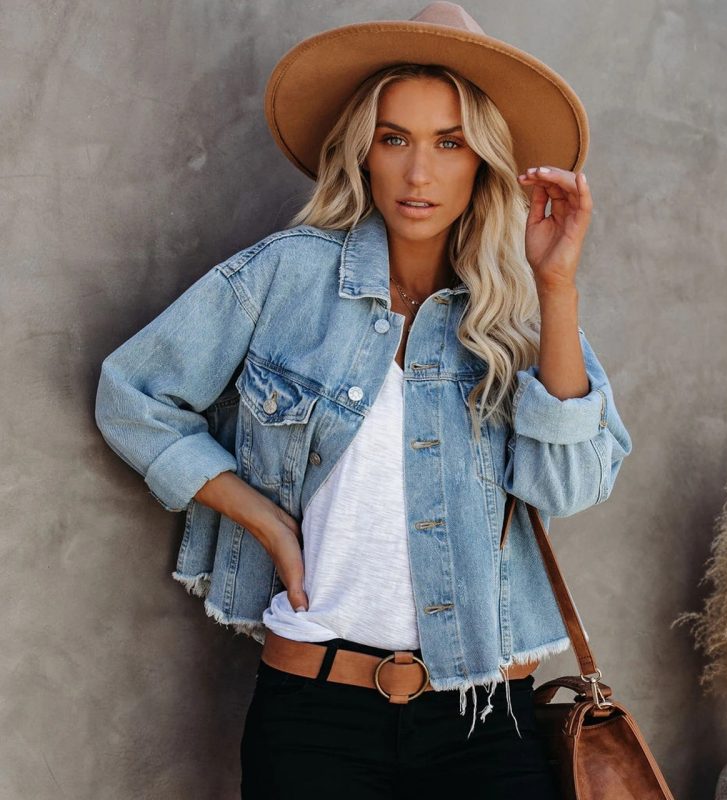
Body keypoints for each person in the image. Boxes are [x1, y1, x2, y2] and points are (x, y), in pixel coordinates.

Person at [94, 2, 633, 797]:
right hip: (315, 714)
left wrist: (555, 286)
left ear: (484, 161)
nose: (419, 173)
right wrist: (264, 520)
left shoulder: (520, 310)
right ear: (364, 153)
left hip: (486, 718)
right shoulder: (286, 277)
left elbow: (570, 486)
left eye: (450, 142)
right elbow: (132, 394)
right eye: (395, 138)